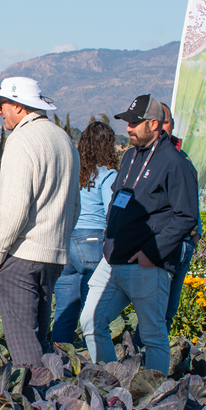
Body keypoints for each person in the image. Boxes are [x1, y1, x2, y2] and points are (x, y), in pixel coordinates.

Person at [79, 94, 199, 373]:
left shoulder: (176, 163)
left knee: (154, 337)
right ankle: (109, 381)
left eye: (135, 122)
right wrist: (109, 245)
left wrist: (151, 253)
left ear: (154, 124)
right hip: (112, 262)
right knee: (90, 321)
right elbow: (117, 199)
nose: (129, 128)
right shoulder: (131, 156)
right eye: (127, 122)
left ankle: (154, 398)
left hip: (147, 265)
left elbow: (186, 216)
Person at [0, 77, 80, 368]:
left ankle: (38, 405)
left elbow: (14, 207)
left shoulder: (21, 140)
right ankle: (55, 398)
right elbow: (74, 205)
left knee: (23, 342)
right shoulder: (63, 139)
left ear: (18, 105)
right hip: (53, 256)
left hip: (22, 255)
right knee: (40, 337)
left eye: (1, 105)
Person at [51, 121, 118, 344]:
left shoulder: (70, 172)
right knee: (94, 313)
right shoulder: (107, 175)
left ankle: (59, 362)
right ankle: (94, 363)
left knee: (63, 311)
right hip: (93, 242)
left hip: (66, 240)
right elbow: (112, 211)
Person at [159, 101, 198, 329]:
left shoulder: (183, 159)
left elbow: (192, 200)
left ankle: (156, 360)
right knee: (154, 312)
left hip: (183, 244)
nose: (164, 127)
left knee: (168, 313)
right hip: (163, 245)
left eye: (167, 121)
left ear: (172, 124)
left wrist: (197, 234)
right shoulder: (146, 160)